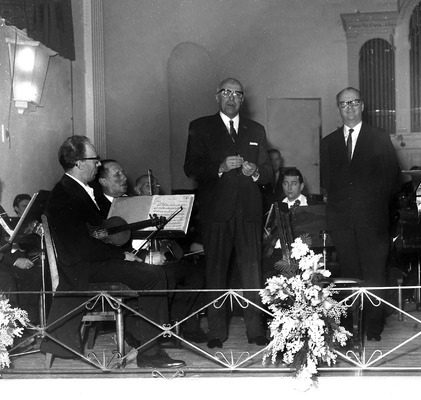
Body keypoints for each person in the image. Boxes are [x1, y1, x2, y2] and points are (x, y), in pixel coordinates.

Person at [39, 135, 185, 368]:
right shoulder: (64, 195)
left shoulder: (79, 190)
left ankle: (142, 339)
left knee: (155, 270)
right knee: (154, 276)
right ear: (79, 163)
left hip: (93, 262)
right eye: (94, 159)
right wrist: (121, 255)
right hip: (82, 268)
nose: (98, 164)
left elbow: (98, 234)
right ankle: (150, 353)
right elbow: (79, 246)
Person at [184, 77, 272, 349]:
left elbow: (269, 171)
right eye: (226, 92)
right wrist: (219, 167)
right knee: (216, 273)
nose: (231, 97)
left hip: (249, 212)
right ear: (217, 96)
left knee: (252, 274)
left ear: (243, 99)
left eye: (237, 94)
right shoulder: (200, 127)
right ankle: (216, 332)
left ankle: (255, 330)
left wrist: (256, 172)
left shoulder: (256, 129)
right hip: (216, 212)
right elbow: (191, 168)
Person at [320, 87, 400, 342]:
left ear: (362, 105)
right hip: (342, 222)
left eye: (354, 102)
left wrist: (371, 205)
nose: (350, 108)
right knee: (349, 274)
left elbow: (393, 179)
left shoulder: (379, 137)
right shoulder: (328, 143)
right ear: (338, 108)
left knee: (374, 274)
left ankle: (374, 326)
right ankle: (351, 325)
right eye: (344, 104)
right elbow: (327, 183)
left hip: (373, 221)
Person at [131, 173, 207, 343]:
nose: (153, 189)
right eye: (148, 186)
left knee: (196, 276)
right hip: (142, 260)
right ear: (137, 190)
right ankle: (164, 326)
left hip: (165, 258)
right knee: (168, 276)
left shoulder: (162, 208)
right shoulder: (133, 209)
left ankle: (186, 326)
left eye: (156, 186)